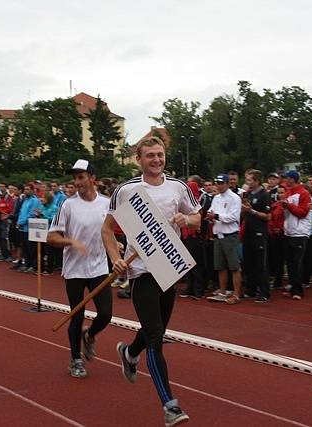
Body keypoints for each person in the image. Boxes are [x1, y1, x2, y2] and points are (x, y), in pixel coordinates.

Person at [102, 136, 200, 427]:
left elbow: (197, 218)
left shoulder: (178, 188)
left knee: (153, 330)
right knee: (156, 338)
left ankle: (130, 353)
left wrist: (186, 219)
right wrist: (115, 258)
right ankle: (170, 406)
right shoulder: (127, 190)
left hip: (169, 267)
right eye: (149, 156)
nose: (156, 160)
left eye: (159, 155)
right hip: (141, 271)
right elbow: (107, 230)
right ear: (139, 159)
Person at [48, 159, 112, 378]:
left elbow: (111, 231)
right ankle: (75, 359)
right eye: (75, 178)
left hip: (99, 266)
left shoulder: (107, 203)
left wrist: (116, 243)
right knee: (77, 315)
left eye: (81, 177)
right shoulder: (68, 205)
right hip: (75, 269)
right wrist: (71, 242)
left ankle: (90, 335)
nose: (77, 182)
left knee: (105, 313)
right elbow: (51, 237)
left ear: (92, 178)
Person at [206, 173, 242, 304]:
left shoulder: (235, 198)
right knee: (220, 266)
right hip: (218, 235)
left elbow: (233, 217)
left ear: (227, 184)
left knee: (234, 266)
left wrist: (216, 216)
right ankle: (222, 291)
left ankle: (237, 293)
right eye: (218, 183)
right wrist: (210, 217)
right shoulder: (216, 198)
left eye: (221, 183)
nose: (219, 186)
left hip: (230, 235)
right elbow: (211, 211)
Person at [241, 169, 271, 302]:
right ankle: (250, 289)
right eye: (246, 180)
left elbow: (267, 216)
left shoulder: (264, 195)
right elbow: (244, 213)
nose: (247, 182)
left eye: (249, 180)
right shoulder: (246, 194)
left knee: (260, 263)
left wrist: (251, 211)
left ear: (257, 181)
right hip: (248, 231)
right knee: (248, 262)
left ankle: (264, 292)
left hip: (259, 232)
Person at [281, 170, 311, 300]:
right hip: (289, 231)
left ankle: (298, 290)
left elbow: (303, 212)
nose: (285, 180)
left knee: (297, 262)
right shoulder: (288, 193)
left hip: (300, 232)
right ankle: (293, 286)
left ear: (292, 179)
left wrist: (289, 206)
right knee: (290, 262)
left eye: (286, 178)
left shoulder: (304, 193)